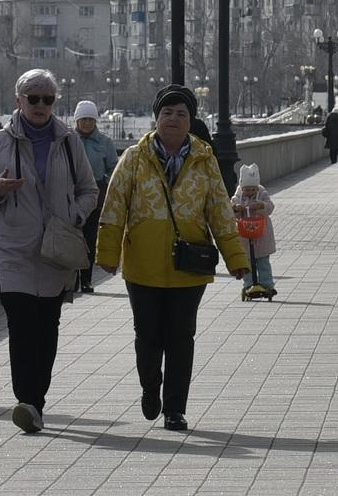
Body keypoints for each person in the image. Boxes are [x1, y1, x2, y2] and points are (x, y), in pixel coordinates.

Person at [95, 85, 248, 432]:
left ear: (190, 121)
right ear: (157, 118)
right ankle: (151, 387)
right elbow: (114, 205)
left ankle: (175, 408)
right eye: (167, 113)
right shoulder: (134, 157)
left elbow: (220, 211)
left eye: (181, 114)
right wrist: (107, 253)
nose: (173, 120)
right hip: (142, 266)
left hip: (188, 266)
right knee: (147, 336)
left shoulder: (205, 160)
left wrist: (236, 257)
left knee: (181, 338)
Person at [0, 69, 98, 434]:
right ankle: (27, 401)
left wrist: (74, 214)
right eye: (33, 98)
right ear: (18, 100)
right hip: (11, 251)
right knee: (22, 325)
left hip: (55, 251)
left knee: (46, 327)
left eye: (48, 99)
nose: (41, 105)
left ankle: (35, 401)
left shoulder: (68, 141)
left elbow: (89, 190)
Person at [74, 100, 121, 294]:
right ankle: (71, 280)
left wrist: (104, 181)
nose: (87, 123)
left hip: (95, 197)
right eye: (83, 119)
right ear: (77, 121)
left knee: (89, 238)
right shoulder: (68, 140)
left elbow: (114, 168)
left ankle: (86, 280)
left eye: (90, 119)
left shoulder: (105, 142)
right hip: (71, 196)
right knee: (70, 238)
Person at [231, 163, 278, 300]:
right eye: (247, 189)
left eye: (253, 189)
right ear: (242, 187)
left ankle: (267, 284)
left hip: (261, 234)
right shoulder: (238, 195)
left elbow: (270, 207)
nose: (250, 192)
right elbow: (230, 207)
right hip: (245, 235)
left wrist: (261, 205)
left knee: (263, 262)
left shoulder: (262, 193)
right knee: (247, 263)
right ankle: (249, 284)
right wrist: (236, 208)